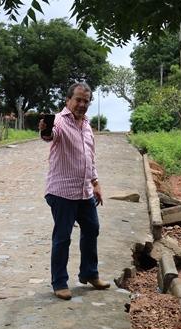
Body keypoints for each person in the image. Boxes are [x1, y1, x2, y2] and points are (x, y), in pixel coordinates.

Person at [39, 81, 109, 301]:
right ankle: (59, 283)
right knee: (62, 238)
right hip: (62, 192)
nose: (82, 105)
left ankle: (89, 273)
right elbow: (50, 135)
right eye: (78, 100)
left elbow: (90, 157)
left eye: (86, 101)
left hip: (84, 191)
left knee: (92, 229)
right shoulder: (60, 122)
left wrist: (95, 183)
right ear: (68, 100)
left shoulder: (86, 125)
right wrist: (45, 129)